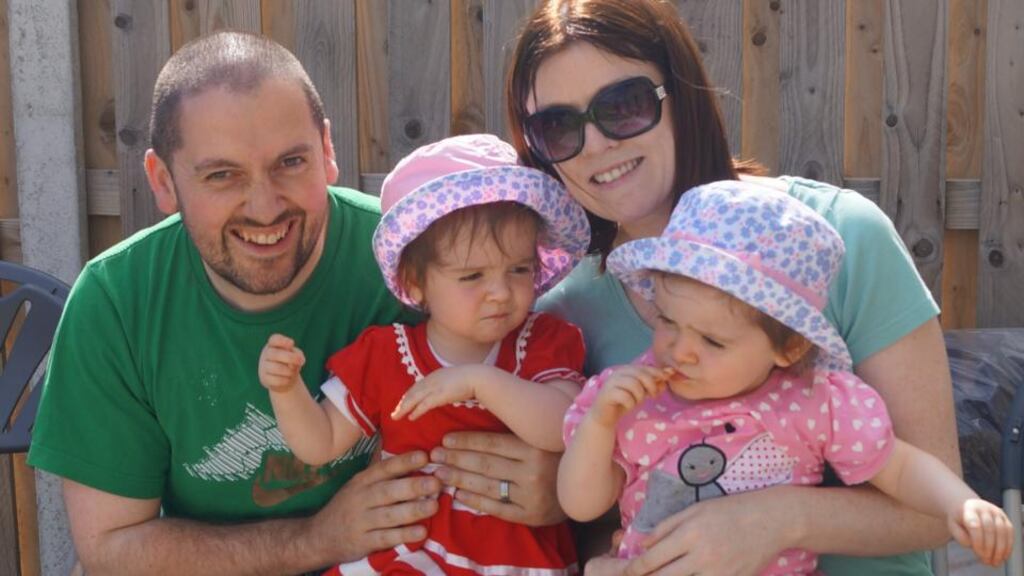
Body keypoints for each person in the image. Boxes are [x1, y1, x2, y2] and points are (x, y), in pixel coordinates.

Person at [27, 31, 566, 575]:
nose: (265, 208)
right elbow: (112, 549)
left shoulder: (427, 257)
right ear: (163, 182)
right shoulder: (117, 301)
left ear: (327, 151)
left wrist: (555, 491)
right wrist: (315, 540)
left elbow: (552, 410)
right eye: (222, 175)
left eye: (290, 162)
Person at [504, 1, 963, 574]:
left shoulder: (845, 236)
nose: (595, 144)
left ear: (682, 95)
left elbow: (936, 511)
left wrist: (778, 520)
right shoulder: (562, 313)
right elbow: (611, 517)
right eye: (557, 127)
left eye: (623, 105)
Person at [557, 180, 1012, 574]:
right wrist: (599, 424)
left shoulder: (814, 401)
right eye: (668, 321)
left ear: (788, 348)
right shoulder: (631, 397)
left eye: (713, 341)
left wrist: (959, 502)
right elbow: (581, 504)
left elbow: (901, 466)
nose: (680, 350)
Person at [258, 133, 589, 574]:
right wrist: (285, 390)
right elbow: (320, 443)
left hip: (511, 556)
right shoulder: (387, 355)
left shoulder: (542, 342)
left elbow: (565, 428)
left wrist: (480, 382)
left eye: (519, 269)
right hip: (411, 550)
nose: (500, 291)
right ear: (415, 284)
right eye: (472, 276)